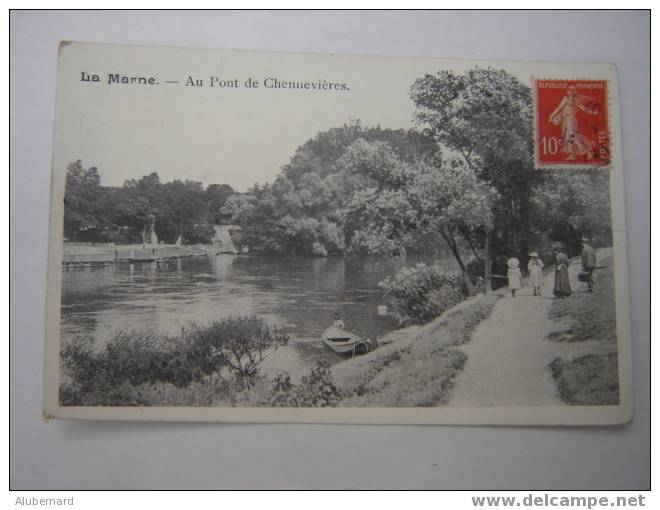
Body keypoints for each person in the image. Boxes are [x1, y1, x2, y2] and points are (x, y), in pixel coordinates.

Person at [548, 84, 598, 161]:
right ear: (567, 90)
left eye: (573, 90)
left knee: (572, 136)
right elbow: (559, 108)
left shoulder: (576, 100)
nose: (571, 91)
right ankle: (572, 154)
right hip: (566, 119)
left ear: (575, 91)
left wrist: (592, 112)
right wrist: (552, 116)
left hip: (571, 119)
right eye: (569, 89)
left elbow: (584, 108)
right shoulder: (566, 99)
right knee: (568, 137)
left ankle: (588, 150)